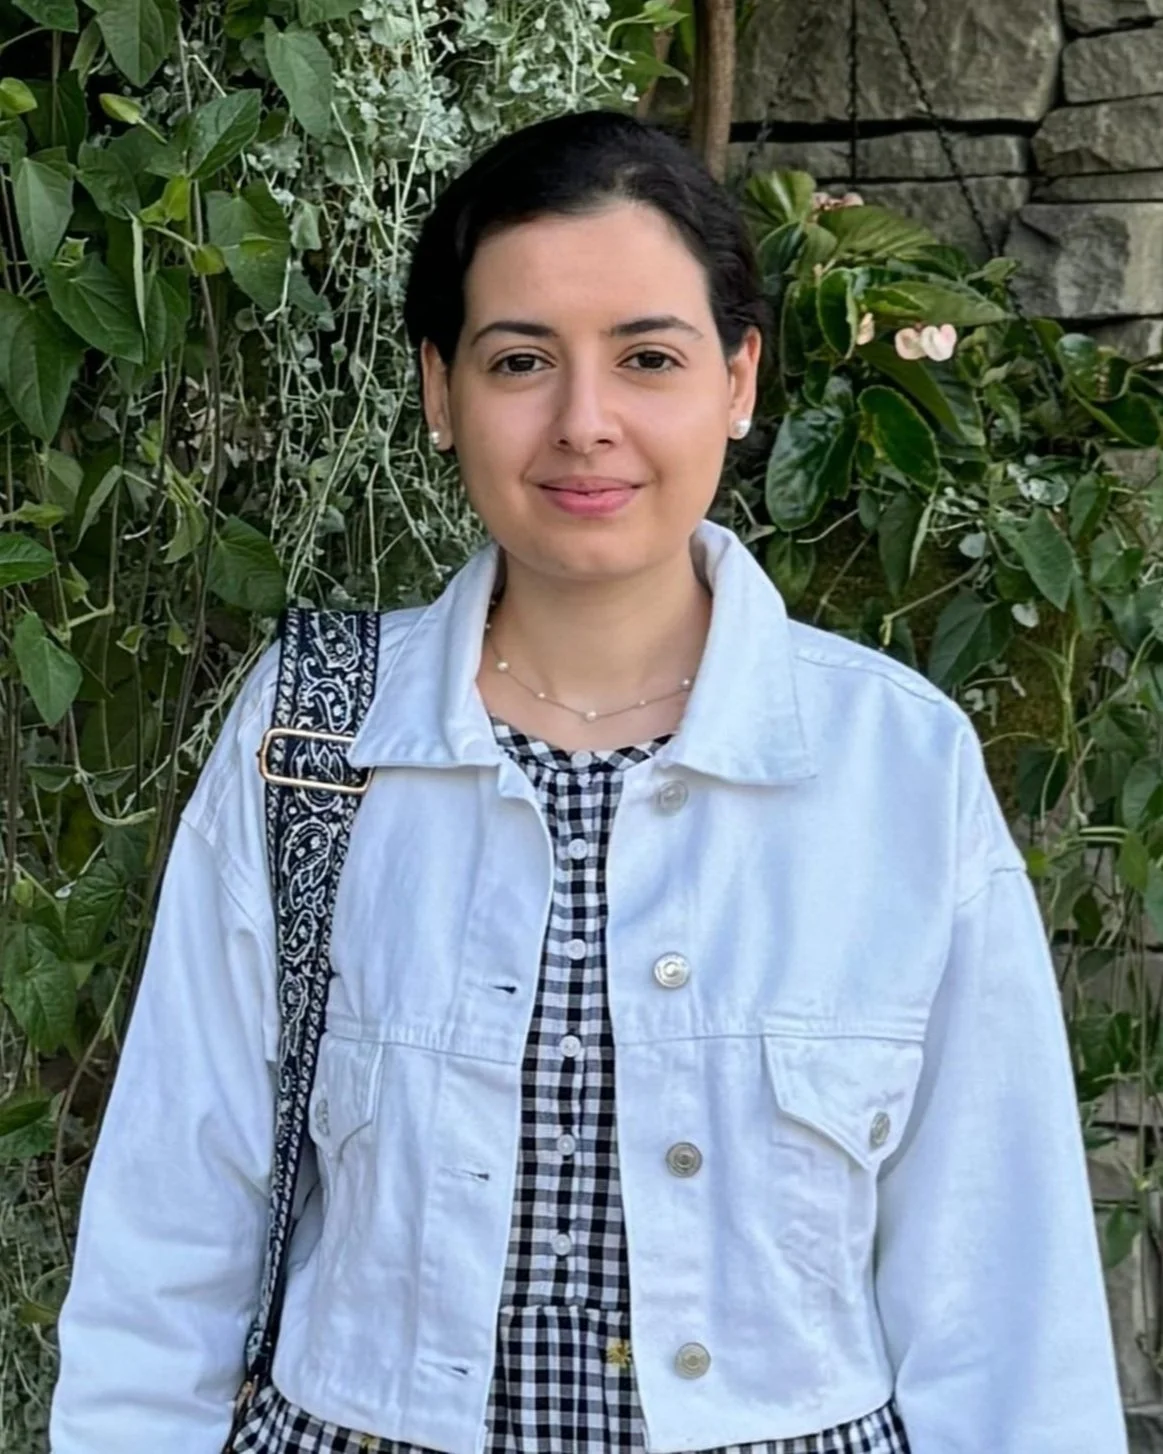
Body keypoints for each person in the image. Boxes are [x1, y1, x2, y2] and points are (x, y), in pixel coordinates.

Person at [50, 108, 1125, 1454]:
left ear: (737, 380)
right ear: (440, 390)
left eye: (648, 356)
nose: (583, 422)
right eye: (519, 360)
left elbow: (1000, 1290)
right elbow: (171, 1226)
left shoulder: (891, 766)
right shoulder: (314, 734)